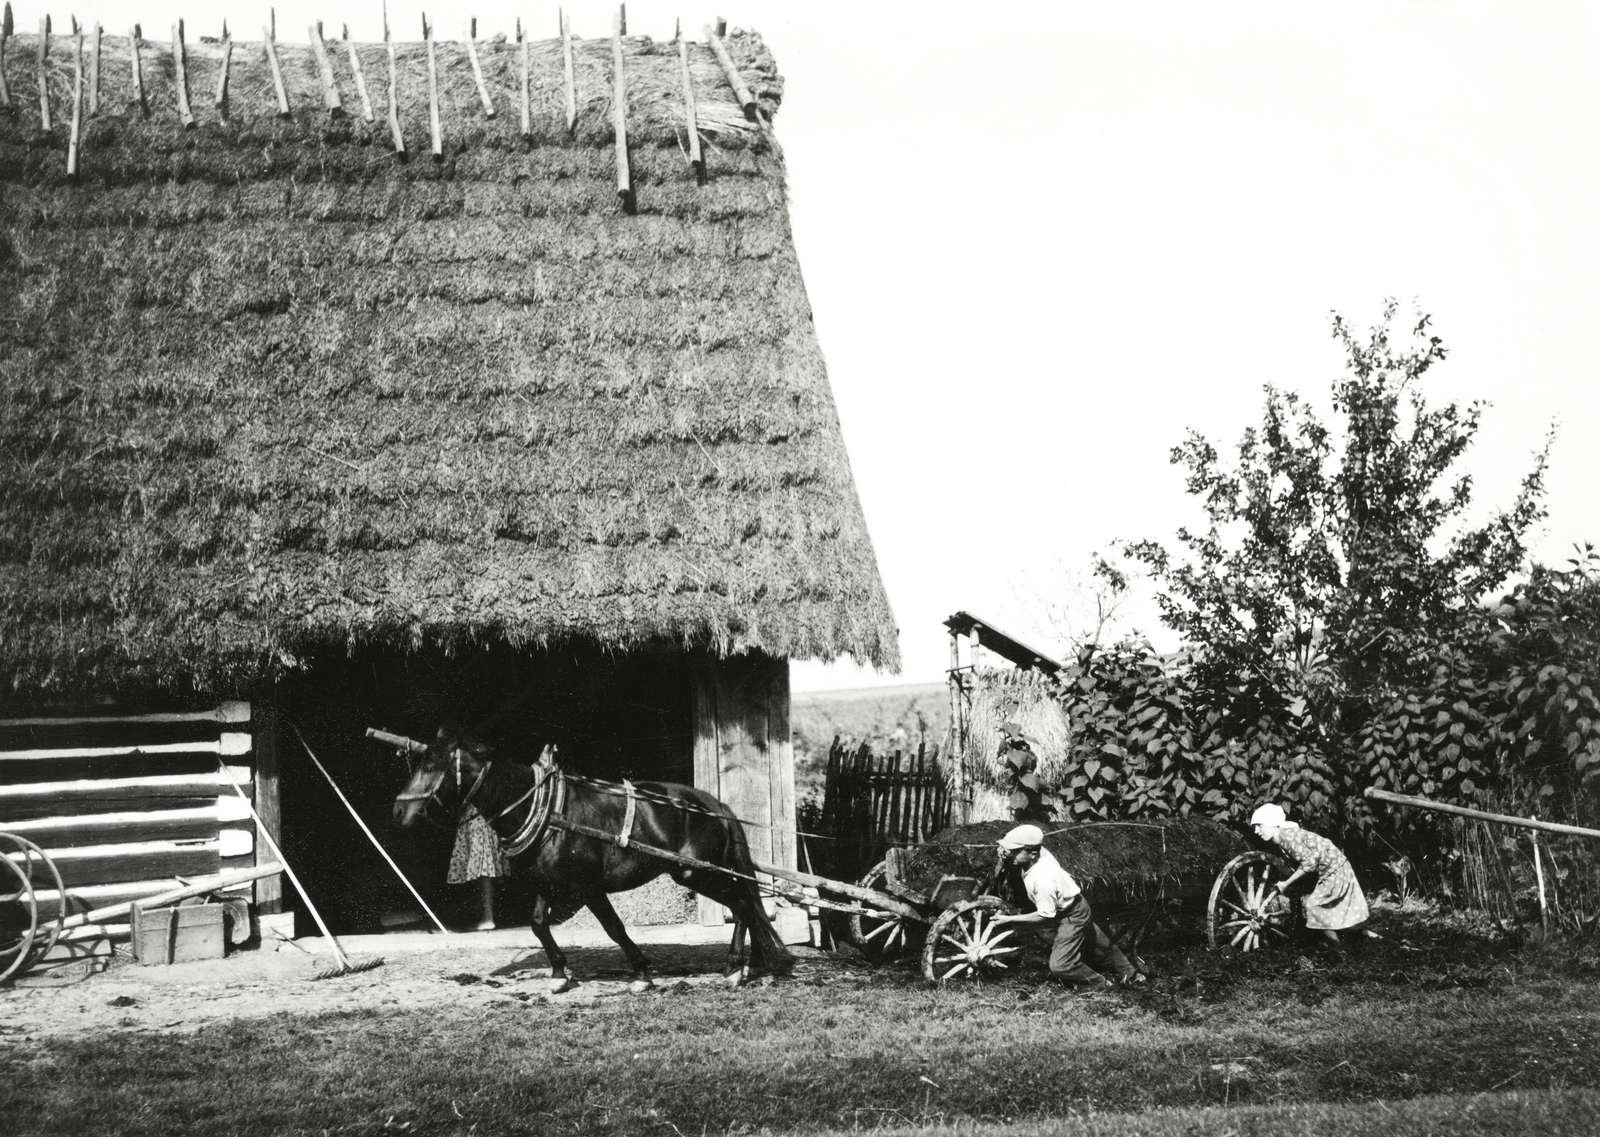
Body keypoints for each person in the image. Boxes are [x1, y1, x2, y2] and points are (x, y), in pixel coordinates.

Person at [990, 824, 1146, 987]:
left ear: (1033, 853)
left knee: (1061, 965)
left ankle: (1103, 983)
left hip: (1072, 914)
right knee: (1104, 944)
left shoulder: (1043, 880)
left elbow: (1045, 915)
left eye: (1014, 851)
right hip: (1073, 904)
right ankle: (1132, 975)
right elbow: (1013, 849)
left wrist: (1011, 919)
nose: (1009, 854)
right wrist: (1006, 850)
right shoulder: (1037, 852)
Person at [1250, 803, 1371, 955]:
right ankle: (1363, 935)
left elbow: (1309, 863)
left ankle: (1338, 948)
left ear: (1272, 823)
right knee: (1329, 906)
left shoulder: (1286, 837)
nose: (1256, 831)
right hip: (1334, 865)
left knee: (1313, 905)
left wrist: (1286, 884)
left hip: (1334, 868)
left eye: (1259, 826)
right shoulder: (1283, 837)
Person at [448, 804, 509, 931]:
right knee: (479, 867)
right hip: (472, 816)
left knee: (483, 867)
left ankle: (488, 918)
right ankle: (485, 916)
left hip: (479, 817)